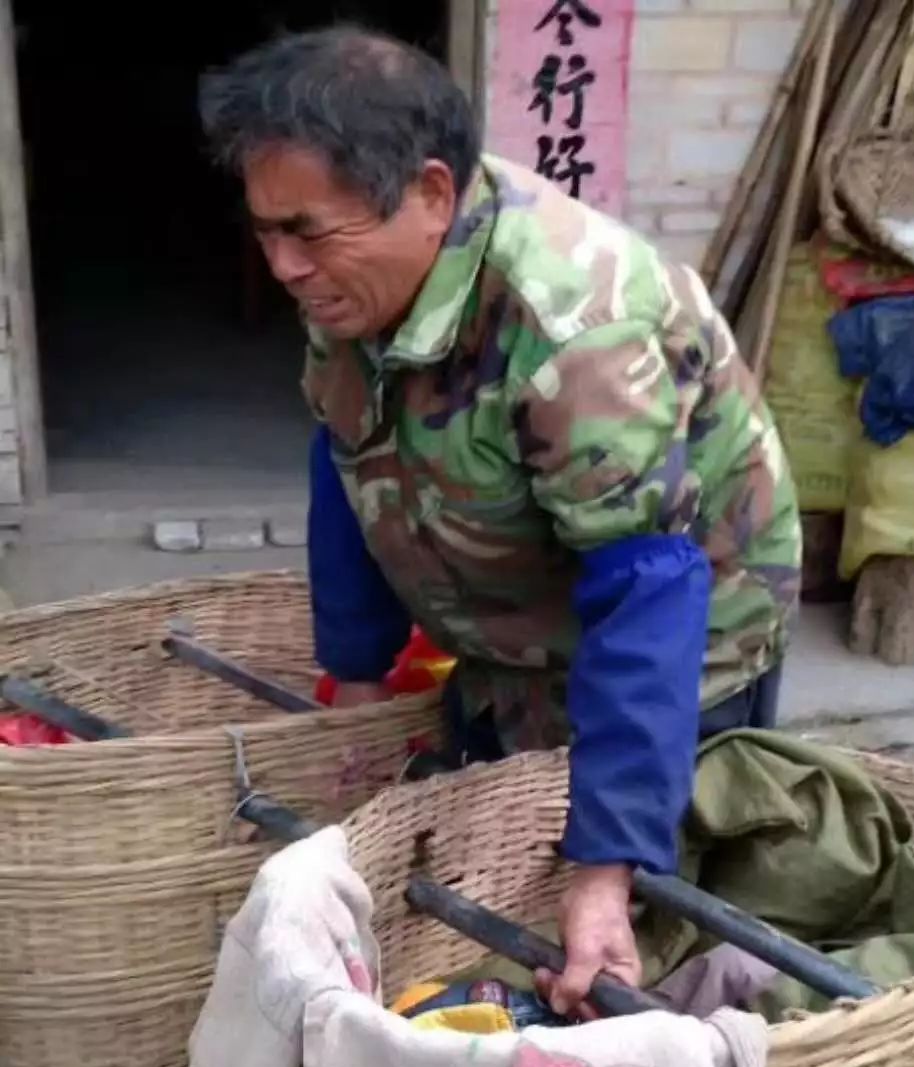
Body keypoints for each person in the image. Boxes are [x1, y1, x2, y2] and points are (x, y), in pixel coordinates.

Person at [199, 27, 801, 1016]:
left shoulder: (577, 326)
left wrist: (606, 864)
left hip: (681, 621)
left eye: (304, 231)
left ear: (431, 194)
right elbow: (350, 455)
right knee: (489, 855)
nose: (283, 266)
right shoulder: (358, 278)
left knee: (637, 930)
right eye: (264, 231)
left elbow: (647, 592)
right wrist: (357, 679)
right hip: (511, 606)